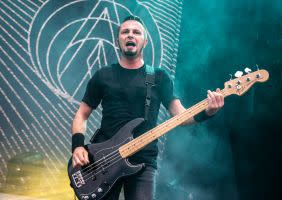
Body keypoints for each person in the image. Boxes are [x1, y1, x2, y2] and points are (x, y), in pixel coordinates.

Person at [71, 15, 224, 200]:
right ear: (117, 39)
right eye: (125, 32)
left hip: (143, 161)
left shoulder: (159, 77)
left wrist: (208, 112)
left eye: (136, 32)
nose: (130, 35)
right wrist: (78, 146)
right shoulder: (103, 75)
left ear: (145, 41)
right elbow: (82, 114)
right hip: (102, 161)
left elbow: (180, 116)